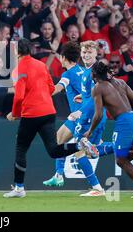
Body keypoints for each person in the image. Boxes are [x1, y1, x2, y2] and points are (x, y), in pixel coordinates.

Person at [3, 39, 96, 198]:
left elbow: (19, 97)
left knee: (21, 149)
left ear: (17, 52)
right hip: (50, 112)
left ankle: (19, 188)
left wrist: (14, 113)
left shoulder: (18, 70)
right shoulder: (41, 65)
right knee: (54, 149)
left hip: (33, 114)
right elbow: (51, 88)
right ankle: (77, 150)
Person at [86, 61, 133, 198]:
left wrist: (90, 131)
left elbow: (98, 115)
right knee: (125, 156)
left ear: (94, 74)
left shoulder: (98, 88)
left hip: (124, 122)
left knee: (120, 160)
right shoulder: (120, 83)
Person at [66, 40, 113, 196]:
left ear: (96, 54)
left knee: (79, 150)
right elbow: (94, 94)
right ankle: (130, 147)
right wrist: (84, 96)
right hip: (99, 116)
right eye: (84, 52)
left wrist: (80, 111)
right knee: (93, 150)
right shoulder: (91, 71)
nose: (86, 55)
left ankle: (97, 188)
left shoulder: (93, 72)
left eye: (89, 52)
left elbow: (95, 98)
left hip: (89, 117)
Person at [43, 41, 85, 187]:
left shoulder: (68, 74)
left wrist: (39, 92)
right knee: (59, 139)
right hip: (83, 115)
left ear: (63, 57)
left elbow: (57, 89)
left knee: (88, 150)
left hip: (81, 117)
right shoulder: (83, 71)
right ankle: (59, 175)